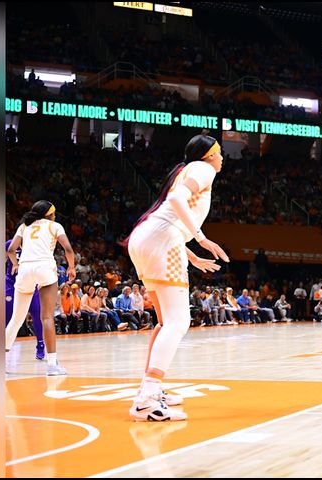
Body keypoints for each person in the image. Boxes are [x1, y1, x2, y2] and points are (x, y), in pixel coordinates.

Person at [123, 134, 229, 421]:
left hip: (145, 238)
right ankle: (147, 398)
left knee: (164, 321)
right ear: (208, 154)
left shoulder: (185, 171)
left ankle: (151, 388)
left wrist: (192, 256)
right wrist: (202, 239)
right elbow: (176, 200)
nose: (222, 158)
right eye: (219, 152)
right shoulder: (203, 169)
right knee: (179, 321)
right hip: (162, 240)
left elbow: (169, 214)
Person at [5, 200, 76, 375]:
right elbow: (67, 248)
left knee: (16, 319)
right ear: (49, 214)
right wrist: (71, 267)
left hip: (25, 269)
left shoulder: (24, 226)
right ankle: (52, 365)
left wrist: (15, 264)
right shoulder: (54, 226)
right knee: (47, 318)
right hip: (45, 268)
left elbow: (11, 250)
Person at [5, 240, 45, 360]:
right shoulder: (10, 243)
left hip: (30, 284)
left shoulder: (35, 244)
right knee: (8, 316)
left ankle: (40, 345)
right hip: (11, 284)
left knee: (37, 313)